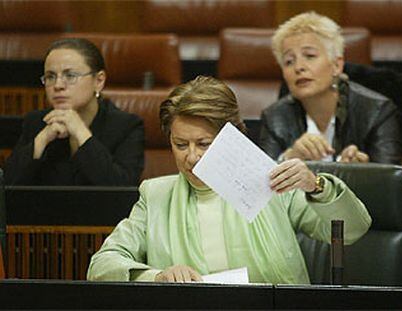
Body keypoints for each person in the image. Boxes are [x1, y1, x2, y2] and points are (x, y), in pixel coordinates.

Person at [87, 76, 371, 284]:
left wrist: (317, 187)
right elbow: (101, 265)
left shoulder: (272, 181)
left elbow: (353, 230)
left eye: (204, 143)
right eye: (181, 145)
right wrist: (156, 276)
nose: (192, 157)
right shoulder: (156, 194)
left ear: (231, 137)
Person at [259, 12, 401, 164]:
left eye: (310, 56)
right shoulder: (274, 117)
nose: (298, 67)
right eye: (289, 61)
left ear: (336, 65)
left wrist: (363, 173)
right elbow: (260, 181)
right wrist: (290, 157)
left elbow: (392, 182)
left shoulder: (377, 111)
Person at [4, 38, 144, 186]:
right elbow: (7, 189)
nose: (58, 85)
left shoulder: (126, 126)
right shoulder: (37, 122)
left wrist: (81, 133)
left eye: (70, 76)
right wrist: (42, 140)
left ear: (99, 81)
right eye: (50, 76)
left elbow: (122, 190)